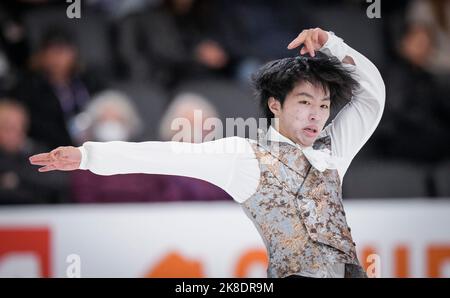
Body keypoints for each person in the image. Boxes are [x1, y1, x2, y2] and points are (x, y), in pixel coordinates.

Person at [29, 28, 385, 278]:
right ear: (275, 105)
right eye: (305, 102)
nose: (316, 115)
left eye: (324, 105)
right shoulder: (245, 156)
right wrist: (89, 156)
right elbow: (163, 155)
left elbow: (373, 96)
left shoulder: (332, 151)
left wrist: (332, 44)